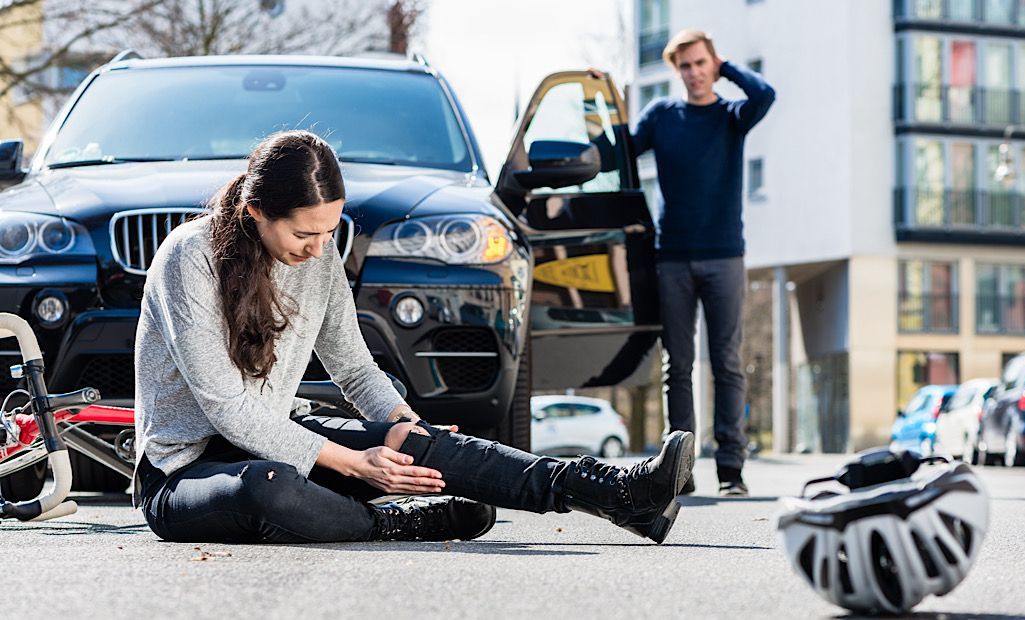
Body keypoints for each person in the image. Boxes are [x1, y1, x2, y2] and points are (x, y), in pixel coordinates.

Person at [132, 130, 696, 545]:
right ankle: (388, 521)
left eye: (330, 230)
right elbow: (228, 411)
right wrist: (357, 465)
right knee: (268, 485)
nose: (317, 246)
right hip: (185, 474)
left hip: (279, 435)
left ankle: (615, 493)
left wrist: (409, 427)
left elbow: (354, 369)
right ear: (256, 211)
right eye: (305, 232)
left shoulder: (319, 252)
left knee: (410, 441)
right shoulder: (190, 257)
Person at [631, 30, 775, 496]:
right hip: (671, 256)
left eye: (700, 63)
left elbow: (765, 94)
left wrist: (727, 65)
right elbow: (621, 149)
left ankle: (731, 469)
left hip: (724, 257)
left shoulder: (732, 116)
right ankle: (680, 468)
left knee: (728, 364)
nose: (693, 73)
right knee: (679, 366)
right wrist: (602, 94)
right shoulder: (662, 116)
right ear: (678, 72)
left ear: (712, 63)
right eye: (686, 67)